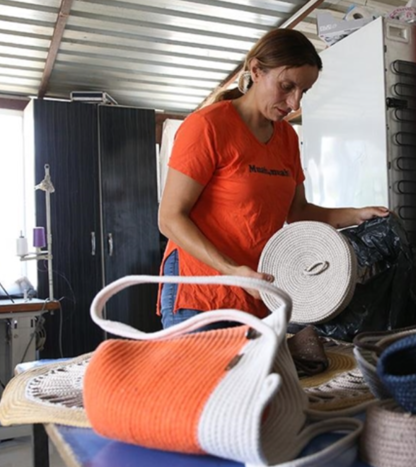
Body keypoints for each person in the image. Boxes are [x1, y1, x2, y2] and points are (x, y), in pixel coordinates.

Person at [157, 29, 389, 329]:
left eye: (302, 92)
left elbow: (299, 212)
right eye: (286, 86)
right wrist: (231, 270)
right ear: (256, 71)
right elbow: (170, 218)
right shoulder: (207, 127)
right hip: (202, 294)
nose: (294, 103)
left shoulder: (286, 138)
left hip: (259, 290)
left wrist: (357, 215)